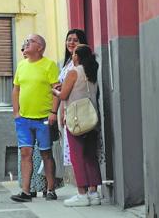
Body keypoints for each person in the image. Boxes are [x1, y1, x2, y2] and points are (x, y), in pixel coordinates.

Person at [10, 34, 60, 202]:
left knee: (46, 153)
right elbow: (16, 89)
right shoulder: (21, 65)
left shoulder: (49, 65)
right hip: (24, 119)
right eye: (26, 41)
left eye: (30, 41)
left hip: (43, 118)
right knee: (26, 152)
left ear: (40, 47)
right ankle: (25, 191)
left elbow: (56, 90)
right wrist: (16, 112)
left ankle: (51, 188)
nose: (26, 43)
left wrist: (53, 112)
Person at [52, 44, 102, 207]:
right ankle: (94, 193)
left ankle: (82, 194)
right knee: (90, 156)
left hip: (76, 119)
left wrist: (55, 91)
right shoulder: (92, 72)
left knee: (77, 156)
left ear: (78, 57)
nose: (72, 56)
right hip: (92, 118)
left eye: (74, 54)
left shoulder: (73, 72)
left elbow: (64, 95)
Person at [57, 29, 88, 168]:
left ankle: (89, 188)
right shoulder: (68, 62)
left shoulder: (81, 64)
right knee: (74, 151)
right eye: (69, 39)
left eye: (75, 40)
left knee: (82, 151)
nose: (71, 43)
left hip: (79, 109)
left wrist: (57, 91)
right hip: (67, 108)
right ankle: (84, 187)